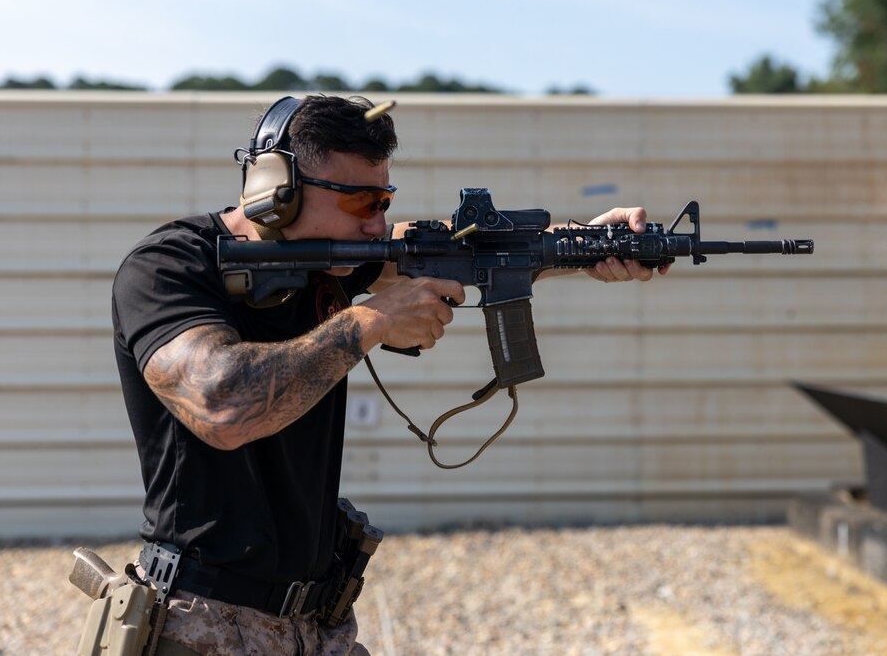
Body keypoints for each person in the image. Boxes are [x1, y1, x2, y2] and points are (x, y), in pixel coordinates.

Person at [110, 94, 668, 655]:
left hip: (315, 622)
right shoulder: (169, 267)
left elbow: (465, 248)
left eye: (383, 199)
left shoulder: (335, 257)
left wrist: (587, 241)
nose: (378, 223)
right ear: (276, 193)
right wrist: (369, 321)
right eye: (360, 202)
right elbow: (221, 403)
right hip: (202, 621)